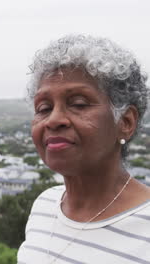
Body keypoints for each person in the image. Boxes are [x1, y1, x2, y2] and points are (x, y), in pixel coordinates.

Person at [17, 34, 150, 263]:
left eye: (78, 104)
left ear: (126, 122)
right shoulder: (45, 205)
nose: (54, 120)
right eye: (44, 107)